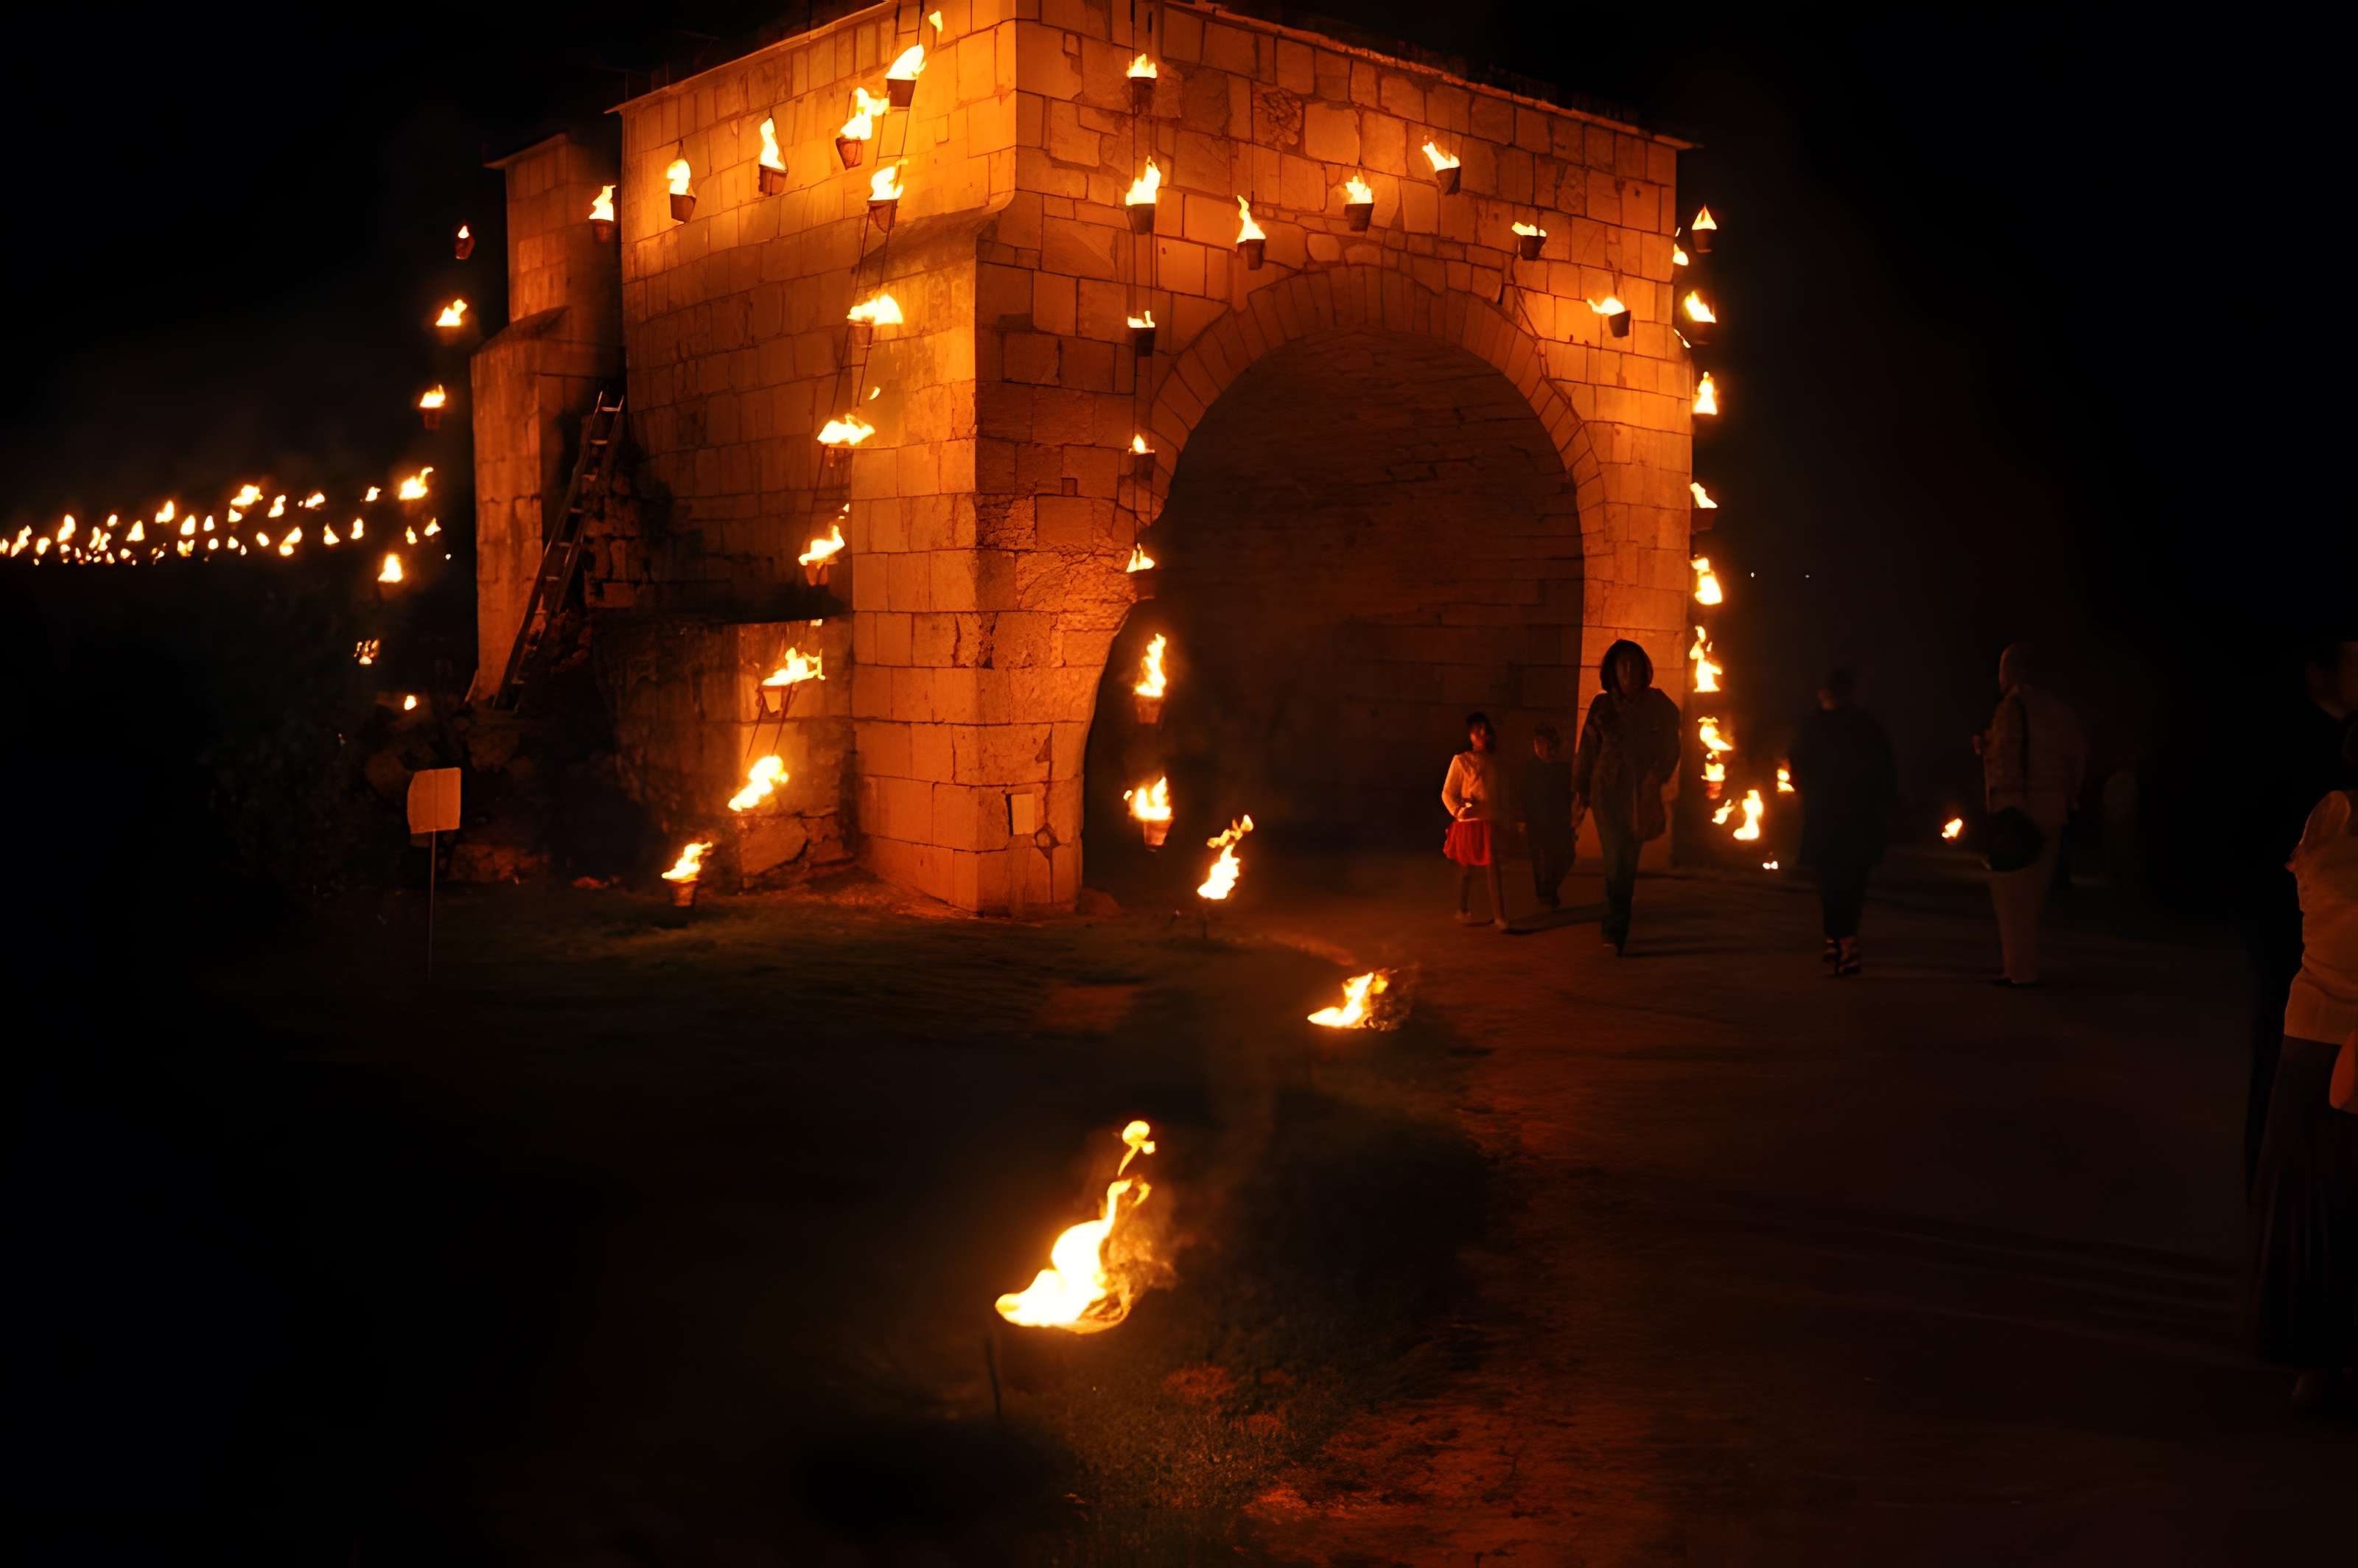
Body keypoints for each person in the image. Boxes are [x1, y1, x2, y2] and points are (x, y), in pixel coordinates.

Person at [2250, 736, 2358, 1409]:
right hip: (2323, 1032)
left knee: (2311, 1207)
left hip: (2313, 1028)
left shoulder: (2331, 817)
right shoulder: (2334, 817)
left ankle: (2312, 1362)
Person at [2237, 636, 2358, 1187]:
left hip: (2315, 936)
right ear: (2320, 672)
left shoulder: (2336, 740)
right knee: (2284, 1062)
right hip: (2293, 934)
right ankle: (2269, 1182)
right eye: (2355, 659)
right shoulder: (2298, 746)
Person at [1976, 643, 2087, 987]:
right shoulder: (2061, 711)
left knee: (2011, 898)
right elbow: (2077, 758)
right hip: (2054, 809)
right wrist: (2069, 797)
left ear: (2009, 671)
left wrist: (1988, 755)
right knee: (2034, 897)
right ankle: (2025, 969)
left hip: (2017, 809)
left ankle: (2018, 971)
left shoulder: (2012, 708)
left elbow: (2006, 761)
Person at [1571, 640, 1682, 954]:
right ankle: (1615, 925)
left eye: (1634, 665)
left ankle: (1618, 919)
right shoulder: (1601, 706)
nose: (1629, 672)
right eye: (1623, 666)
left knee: (1627, 862)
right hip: (1607, 791)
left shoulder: (1658, 705)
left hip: (1639, 795)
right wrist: (1580, 791)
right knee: (1615, 858)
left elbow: (1672, 746)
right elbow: (1588, 749)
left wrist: (1656, 776)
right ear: (1613, 671)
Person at [1791, 669, 1898, 977]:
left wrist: (1809, 794)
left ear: (1825, 694)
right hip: (1859, 820)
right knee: (1851, 883)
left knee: (1830, 881)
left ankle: (1837, 938)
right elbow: (1886, 775)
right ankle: (1842, 939)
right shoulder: (1868, 728)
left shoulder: (1813, 728)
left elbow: (1797, 767)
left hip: (1827, 816)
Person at [1441, 712, 1509, 931]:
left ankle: (1500, 917)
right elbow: (1447, 792)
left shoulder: (1495, 761)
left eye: (1484, 728)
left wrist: (1507, 816)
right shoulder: (1462, 761)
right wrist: (1458, 811)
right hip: (1468, 824)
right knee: (1466, 871)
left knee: (1493, 869)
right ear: (1470, 735)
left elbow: (1501, 794)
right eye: (1477, 729)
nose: (1482, 732)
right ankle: (1462, 909)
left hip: (1489, 821)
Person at [1522, 724, 1575, 910]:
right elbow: (1524, 794)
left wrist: (1573, 816)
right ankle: (1545, 893)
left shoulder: (1562, 769)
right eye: (1538, 743)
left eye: (1545, 744)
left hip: (1559, 820)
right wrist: (1522, 818)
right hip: (1537, 821)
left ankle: (1549, 889)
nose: (1541, 748)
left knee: (1566, 856)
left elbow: (1569, 795)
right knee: (1541, 859)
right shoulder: (1531, 768)